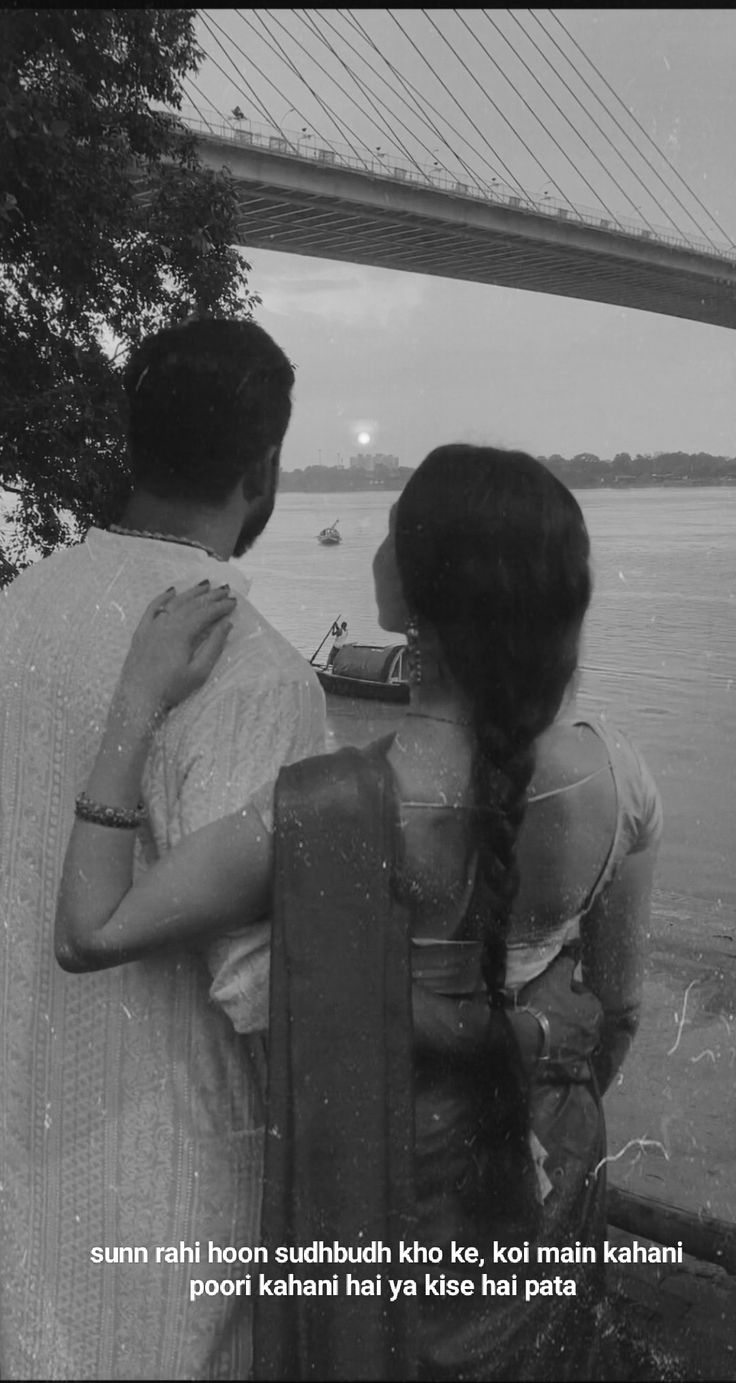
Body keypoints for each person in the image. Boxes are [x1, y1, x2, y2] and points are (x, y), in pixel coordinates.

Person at [56, 445, 662, 1381]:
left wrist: (137, 699)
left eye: (391, 530)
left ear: (412, 593)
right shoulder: (623, 779)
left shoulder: (321, 807)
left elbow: (90, 930)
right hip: (548, 1178)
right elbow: (616, 1009)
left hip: (381, 1210)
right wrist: (528, 1084)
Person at [0, 318, 328, 1380]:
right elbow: (267, 989)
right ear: (262, 465)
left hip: (22, 1156)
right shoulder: (258, 674)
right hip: (168, 1197)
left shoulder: (17, 611)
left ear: (133, 446)